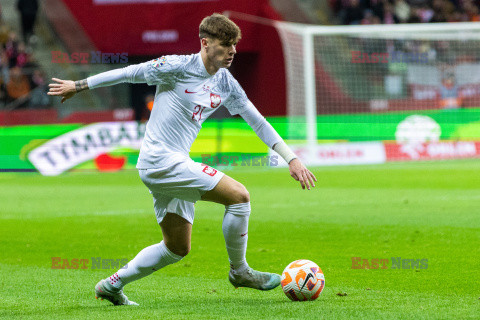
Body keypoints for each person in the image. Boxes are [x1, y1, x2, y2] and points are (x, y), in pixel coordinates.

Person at [48, 13, 316, 306]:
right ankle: (240, 272)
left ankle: (111, 286)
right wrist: (79, 85)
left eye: (234, 45)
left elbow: (258, 121)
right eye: (226, 44)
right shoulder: (175, 67)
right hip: (161, 160)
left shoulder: (226, 82)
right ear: (205, 43)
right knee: (239, 197)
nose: (232, 51)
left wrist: (292, 159)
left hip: (169, 164)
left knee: (176, 248)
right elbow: (128, 72)